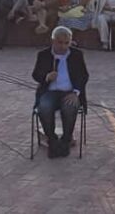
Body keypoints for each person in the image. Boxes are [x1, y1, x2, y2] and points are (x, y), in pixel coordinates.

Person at [32, 26, 89, 158]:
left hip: (69, 92)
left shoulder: (76, 55)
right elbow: (35, 74)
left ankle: (66, 140)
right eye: (60, 42)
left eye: (66, 43)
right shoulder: (43, 54)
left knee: (70, 107)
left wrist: (76, 93)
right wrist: (46, 77)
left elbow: (83, 76)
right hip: (50, 91)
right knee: (44, 107)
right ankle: (51, 140)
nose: (63, 46)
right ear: (53, 41)